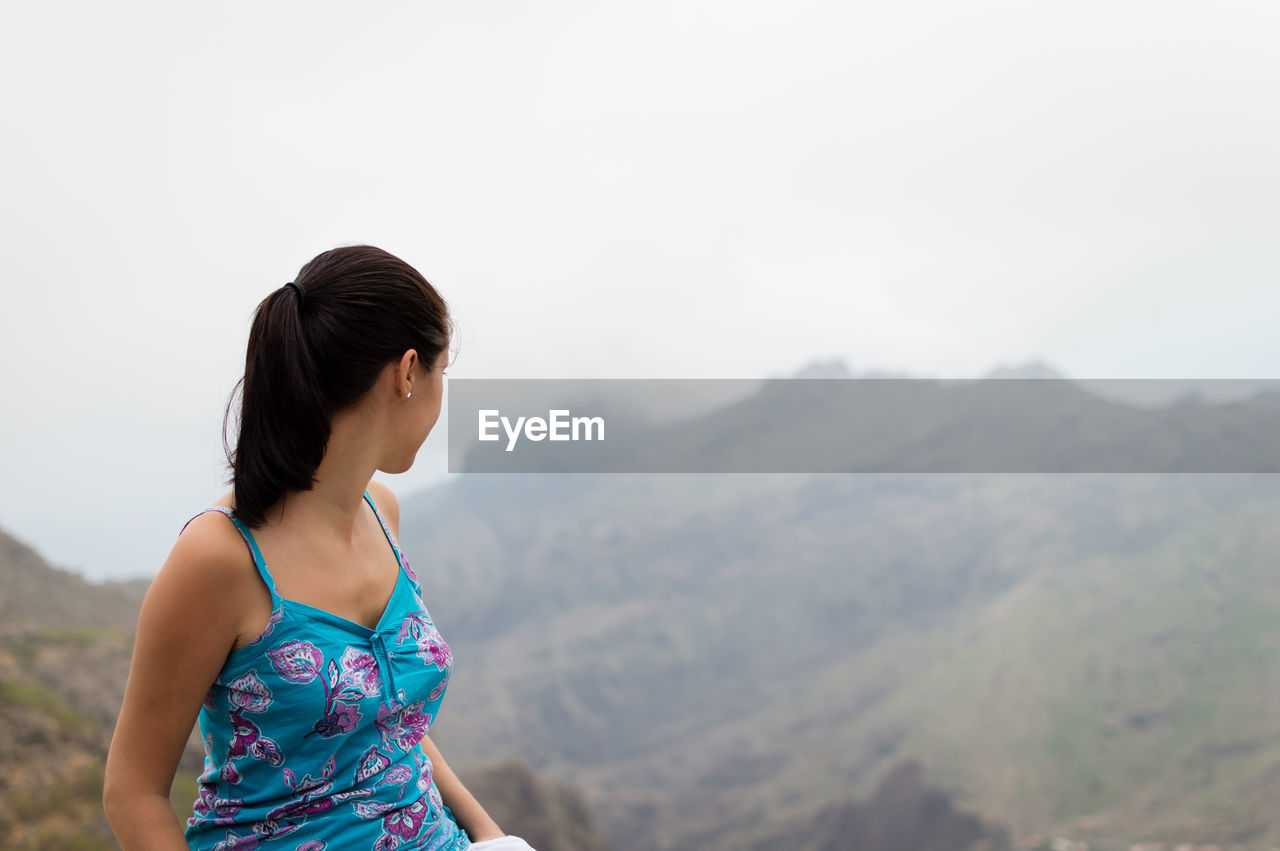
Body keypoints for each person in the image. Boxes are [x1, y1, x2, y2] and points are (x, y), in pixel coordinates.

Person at [104, 245, 536, 851]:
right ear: (408, 372)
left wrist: (492, 837)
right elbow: (133, 792)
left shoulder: (381, 512)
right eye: (444, 376)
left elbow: (389, 723)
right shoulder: (219, 557)